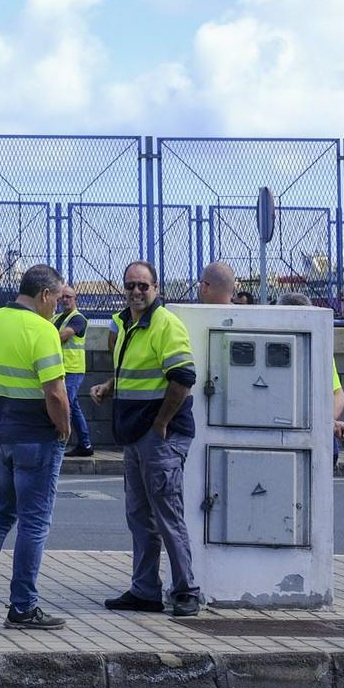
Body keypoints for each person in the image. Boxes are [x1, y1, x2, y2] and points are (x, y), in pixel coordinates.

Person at [0, 263, 72, 630]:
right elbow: (55, 393)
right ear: (44, 295)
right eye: (56, 298)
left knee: (2, 512)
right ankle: (22, 606)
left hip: (0, 435)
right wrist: (65, 429)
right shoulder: (42, 329)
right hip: (36, 438)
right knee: (34, 523)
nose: (57, 305)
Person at [91, 260, 202, 617]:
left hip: (158, 435)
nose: (136, 292)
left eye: (143, 286)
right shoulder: (126, 323)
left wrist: (161, 424)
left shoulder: (165, 324)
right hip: (137, 433)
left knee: (167, 514)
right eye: (130, 286)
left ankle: (186, 591)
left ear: (156, 289)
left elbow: (183, 377)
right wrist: (110, 386)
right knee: (139, 515)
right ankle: (145, 590)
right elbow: (136, 372)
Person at [53, 286, 93, 457]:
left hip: (73, 369)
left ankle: (59, 445)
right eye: (62, 297)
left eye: (68, 296)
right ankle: (85, 444)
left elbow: (63, 336)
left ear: (75, 298)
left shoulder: (78, 319)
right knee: (73, 407)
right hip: (61, 369)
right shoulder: (57, 317)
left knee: (65, 405)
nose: (65, 299)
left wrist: (46, 335)